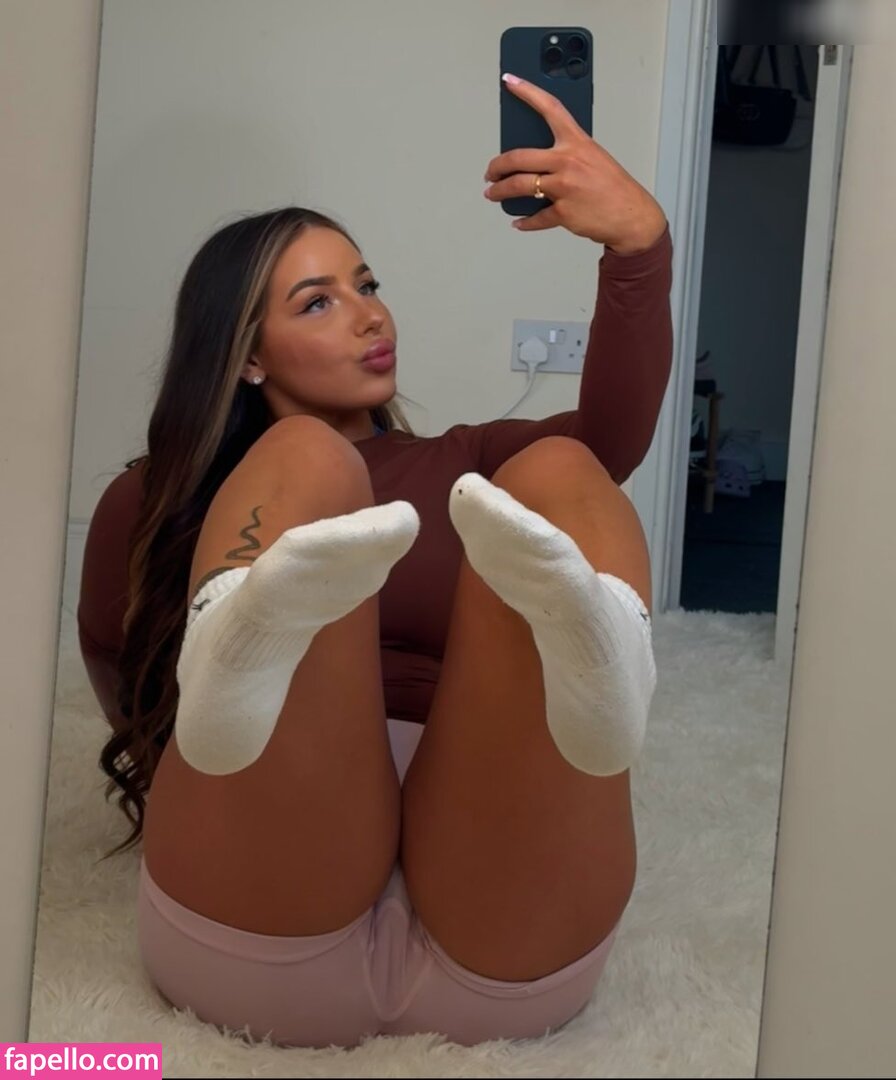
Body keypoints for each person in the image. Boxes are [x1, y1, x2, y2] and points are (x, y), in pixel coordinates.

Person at [79, 74, 672, 1048]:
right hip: (265, 895)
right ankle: (243, 644)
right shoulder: (157, 499)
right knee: (310, 458)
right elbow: (114, 662)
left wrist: (637, 247)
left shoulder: (470, 464)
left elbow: (611, 435)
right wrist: (240, 795)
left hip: (496, 897)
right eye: (318, 302)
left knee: (562, 467)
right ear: (248, 357)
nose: (368, 316)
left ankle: (609, 658)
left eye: (367, 285)